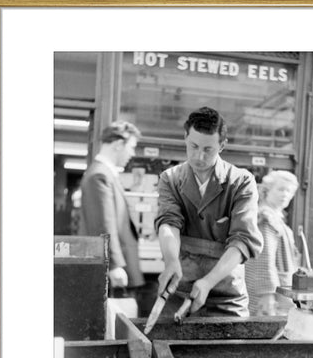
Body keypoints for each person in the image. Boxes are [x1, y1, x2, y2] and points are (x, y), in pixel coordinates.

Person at [154, 107, 263, 317]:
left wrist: (208, 282)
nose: (199, 156)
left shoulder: (241, 181)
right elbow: (169, 223)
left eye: (208, 149)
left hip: (226, 297)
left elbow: (242, 241)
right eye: (193, 146)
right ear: (185, 137)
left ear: (222, 145)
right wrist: (171, 261)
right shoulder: (171, 179)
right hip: (179, 290)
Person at [80, 121, 144, 291]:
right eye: (131, 147)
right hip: (111, 271)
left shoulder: (105, 173)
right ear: (118, 145)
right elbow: (103, 223)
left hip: (115, 267)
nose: (132, 153)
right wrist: (113, 265)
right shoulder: (99, 175)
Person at [245, 170, 300, 316]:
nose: (285, 195)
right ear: (267, 190)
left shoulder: (275, 217)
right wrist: (267, 294)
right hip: (269, 296)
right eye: (281, 189)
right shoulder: (265, 218)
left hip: (279, 292)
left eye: (289, 191)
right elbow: (263, 258)